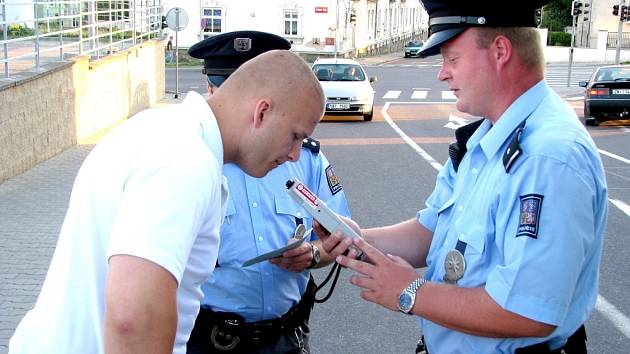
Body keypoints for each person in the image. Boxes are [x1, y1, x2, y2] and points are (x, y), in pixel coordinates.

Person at [322, 1, 608, 353]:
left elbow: (529, 312)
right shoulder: (487, 137)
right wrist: (353, 237)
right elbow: (430, 231)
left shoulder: (548, 157)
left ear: (500, 51)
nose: (442, 73)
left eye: (452, 58)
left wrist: (411, 292)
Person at [9, 49, 325, 354]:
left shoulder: (161, 131)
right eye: (295, 136)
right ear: (262, 112)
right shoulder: (185, 159)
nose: (295, 155)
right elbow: (134, 319)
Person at [185, 30, 351, 354]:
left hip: (285, 337)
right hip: (211, 340)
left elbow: (339, 233)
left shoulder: (304, 158)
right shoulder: (191, 164)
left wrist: (313, 254)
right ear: (212, 89)